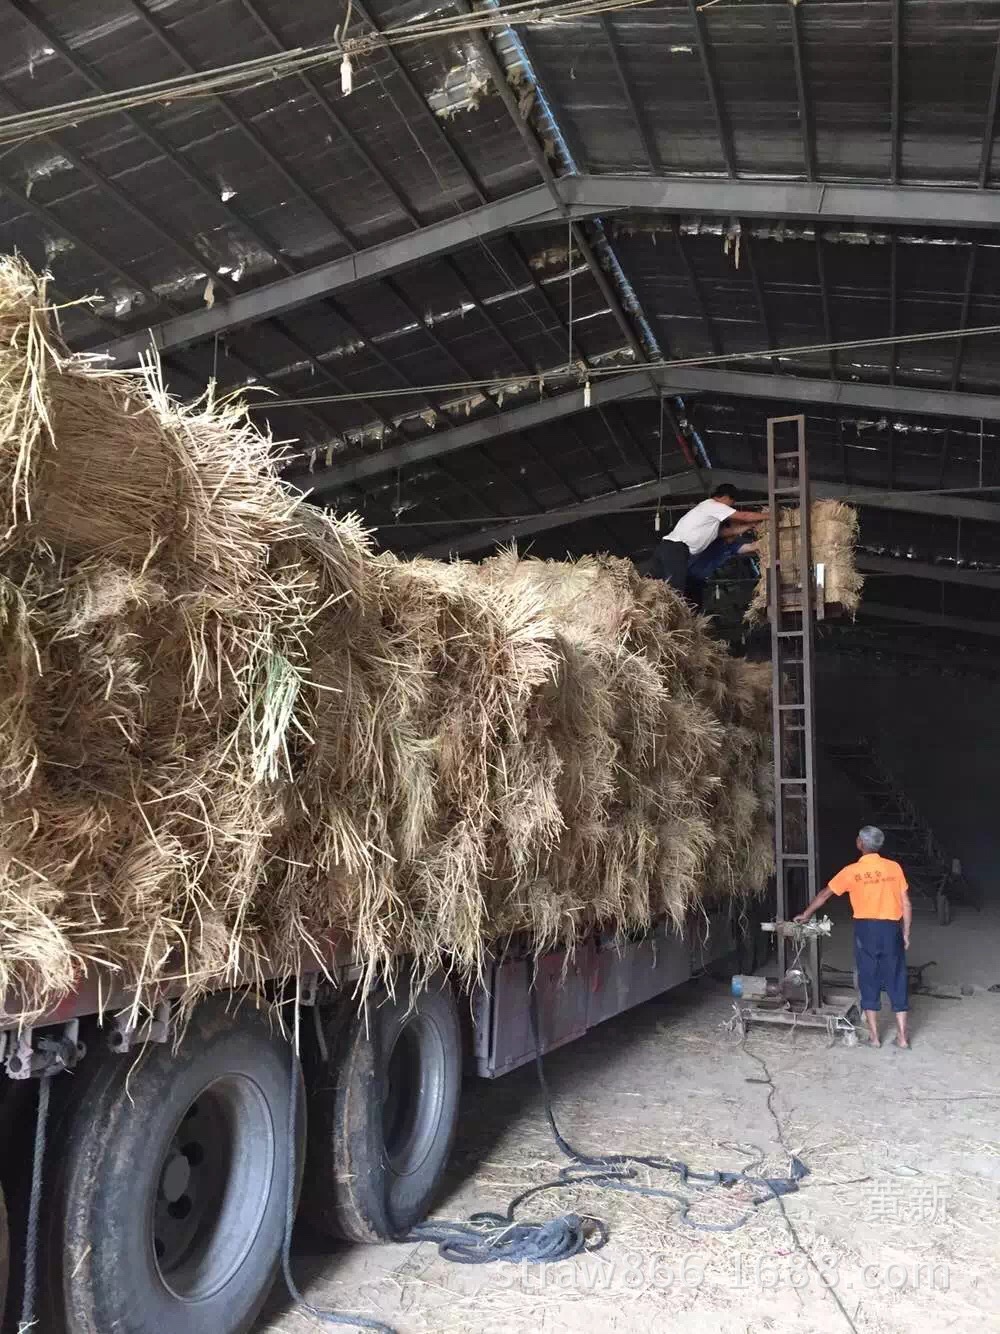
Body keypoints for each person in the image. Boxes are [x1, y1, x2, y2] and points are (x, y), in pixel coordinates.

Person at [795, 825, 911, 1049]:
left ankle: (875, 1038)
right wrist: (905, 933)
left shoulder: (851, 871)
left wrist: (806, 914)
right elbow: (906, 903)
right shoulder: (894, 868)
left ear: (860, 844)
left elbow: (825, 894)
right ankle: (903, 1038)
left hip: (866, 929)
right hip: (891, 929)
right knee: (897, 977)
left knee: (868, 977)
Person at [653, 485, 765, 591]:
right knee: (675, 585)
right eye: (731, 504)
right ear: (726, 497)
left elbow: (730, 532)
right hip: (675, 548)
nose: (729, 508)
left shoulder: (712, 523)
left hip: (673, 549)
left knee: (661, 582)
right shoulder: (712, 505)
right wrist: (769, 515)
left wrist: (751, 525)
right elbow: (744, 516)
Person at [685, 528, 761, 611]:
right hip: (688, 579)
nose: (735, 536)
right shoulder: (711, 542)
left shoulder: (730, 546)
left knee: (695, 608)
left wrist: (762, 542)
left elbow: (750, 547)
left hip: (698, 582)